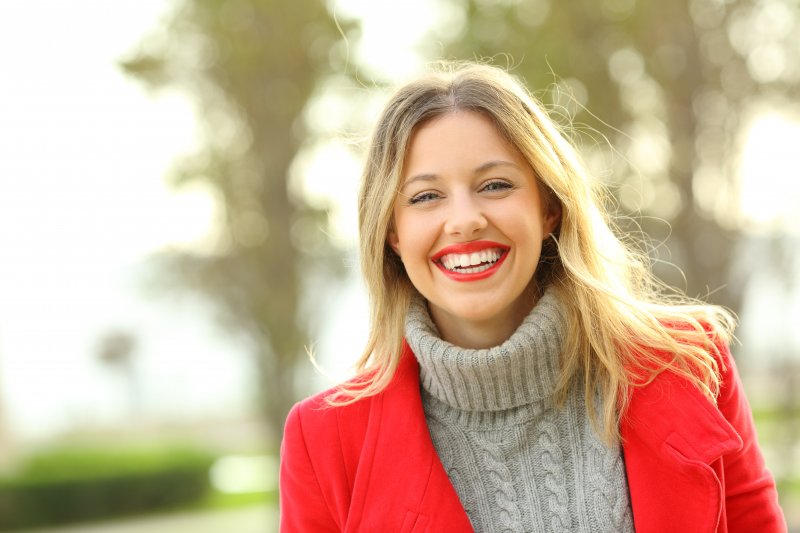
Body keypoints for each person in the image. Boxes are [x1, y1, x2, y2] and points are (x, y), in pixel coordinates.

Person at [279, 62, 786, 532]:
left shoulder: (687, 365)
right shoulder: (325, 440)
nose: (464, 220)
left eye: (495, 185)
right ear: (392, 232)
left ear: (549, 209)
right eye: (426, 196)